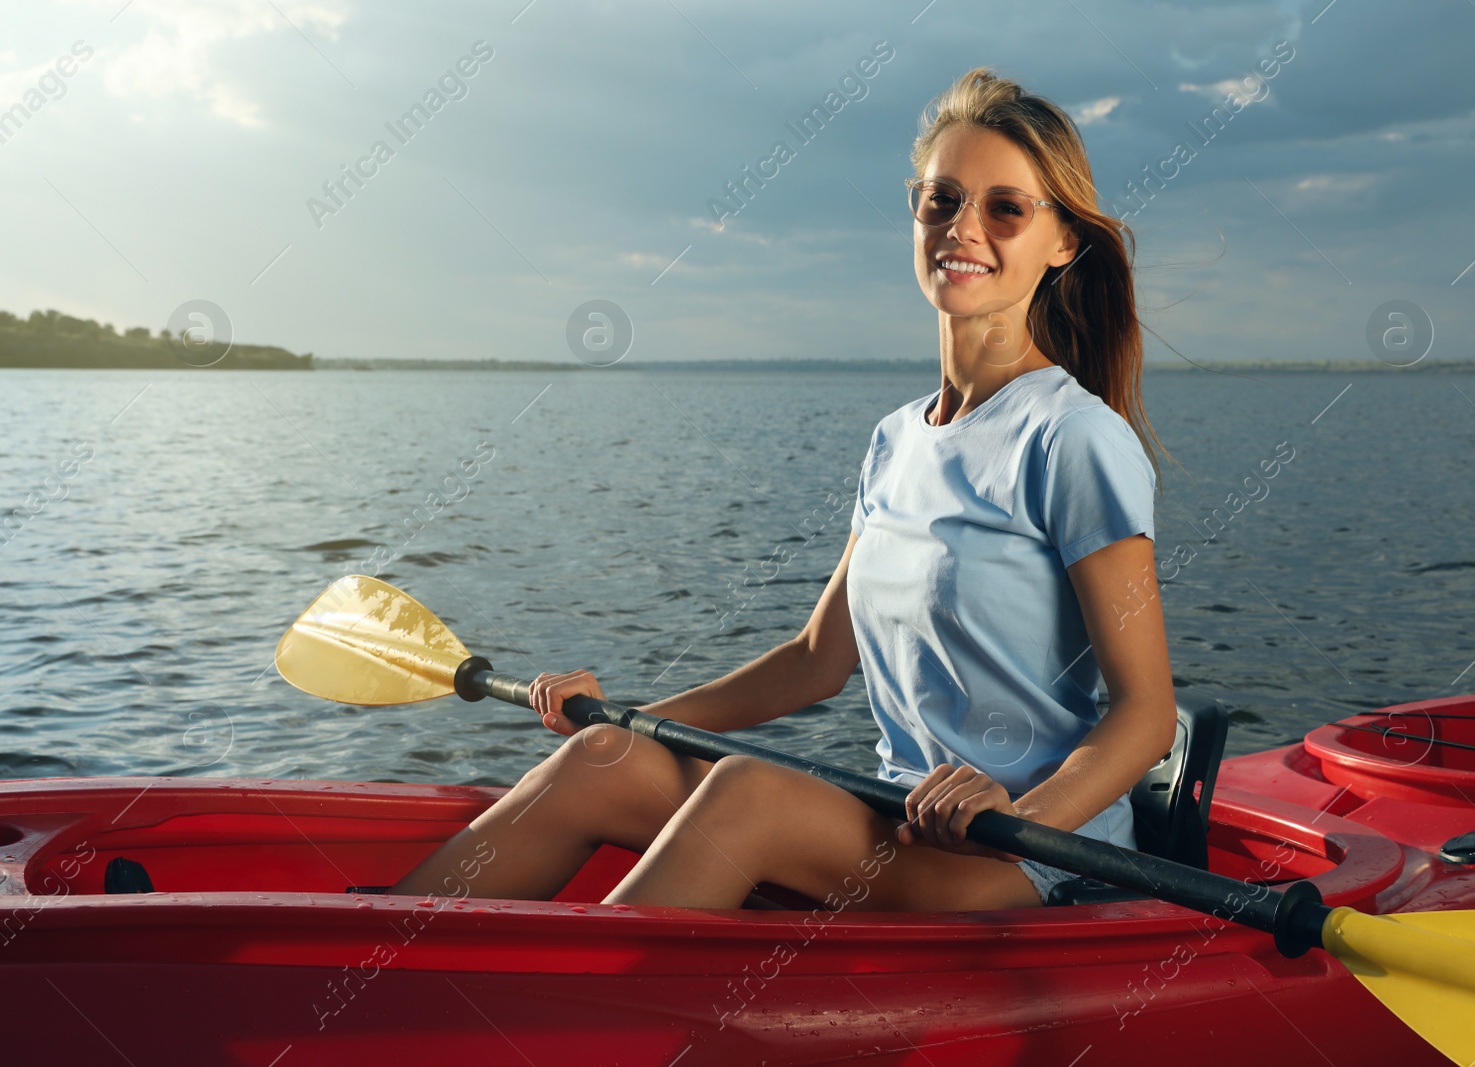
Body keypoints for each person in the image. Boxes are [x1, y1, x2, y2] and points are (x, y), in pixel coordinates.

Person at [391, 67, 1177, 911]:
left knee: (751, 795)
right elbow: (814, 662)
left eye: (1005, 208)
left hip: (1026, 853)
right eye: (941, 200)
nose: (963, 228)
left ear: (1062, 241)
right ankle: (369, 961)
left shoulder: (1074, 437)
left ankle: (572, 1027)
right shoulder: (897, 439)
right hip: (898, 823)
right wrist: (622, 717)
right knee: (602, 760)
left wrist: (1019, 811)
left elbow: (1145, 714)